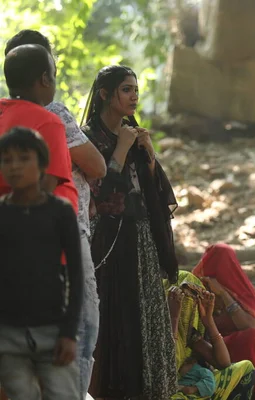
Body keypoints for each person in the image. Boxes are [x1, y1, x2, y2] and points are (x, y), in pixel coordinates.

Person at [5, 29, 106, 398]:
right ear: (44, 78)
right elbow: (93, 167)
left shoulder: (5, 114)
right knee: (78, 331)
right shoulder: (49, 117)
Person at [83, 65, 178, 399]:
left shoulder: (132, 132)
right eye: (126, 89)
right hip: (106, 244)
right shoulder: (88, 137)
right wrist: (122, 148)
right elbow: (102, 194)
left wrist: (149, 157)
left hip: (140, 240)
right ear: (105, 94)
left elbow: (155, 192)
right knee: (113, 318)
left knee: (143, 316)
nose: (134, 96)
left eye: (136, 89)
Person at [0, 127, 83, 400]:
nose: (14, 167)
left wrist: (69, 333)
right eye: (7, 159)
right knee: (21, 394)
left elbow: (76, 274)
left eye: (24, 158)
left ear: (42, 164)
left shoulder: (60, 212)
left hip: (53, 330)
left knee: (63, 394)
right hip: (7, 335)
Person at [191, 243, 255, 398]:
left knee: (252, 336)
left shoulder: (238, 288)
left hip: (239, 349)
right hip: (213, 350)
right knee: (249, 338)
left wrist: (223, 293)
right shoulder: (197, 289)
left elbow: (248, 324)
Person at [0, 44, 77, 210]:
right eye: (53, 75)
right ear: (45, 79)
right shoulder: (48, 122)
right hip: (39, 227)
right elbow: (44, 187)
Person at [167, 271, 255, 400]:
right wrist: (173, 318)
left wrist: (208, 320)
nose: (186, 306)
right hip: (168, 390)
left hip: (190, 388)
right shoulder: (154, 326)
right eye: (181, 299)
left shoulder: (188, 331)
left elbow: (223, 363)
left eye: (192, 301)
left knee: (246, 368)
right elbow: (165, 367)